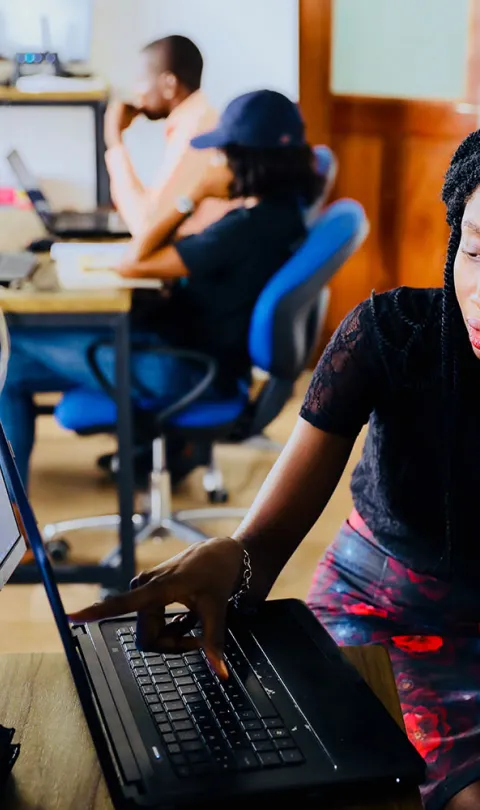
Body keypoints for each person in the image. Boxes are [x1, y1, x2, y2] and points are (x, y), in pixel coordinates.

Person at [71, 130, 480, 810]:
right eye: (475, 250)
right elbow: (263, 545)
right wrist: (229, 559)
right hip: (378, 609)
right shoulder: (389, 336)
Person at [1, 90, 321, 487]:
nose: (214, 162)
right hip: (198, 358)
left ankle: (15, 523)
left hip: (181, 370)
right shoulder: (284, 216)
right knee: (15, 365)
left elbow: (134, 260)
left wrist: (192, 196)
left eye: (222, 153)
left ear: (247, 159)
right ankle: (17, 517)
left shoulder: (244, 231)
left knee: (9, 353)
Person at [105, 34, 233, 244]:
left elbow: (145, 226)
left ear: (169, 85)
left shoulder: (194, 134)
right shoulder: (198, 118)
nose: (137, 93)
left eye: (140, 81)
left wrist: (114, 140)